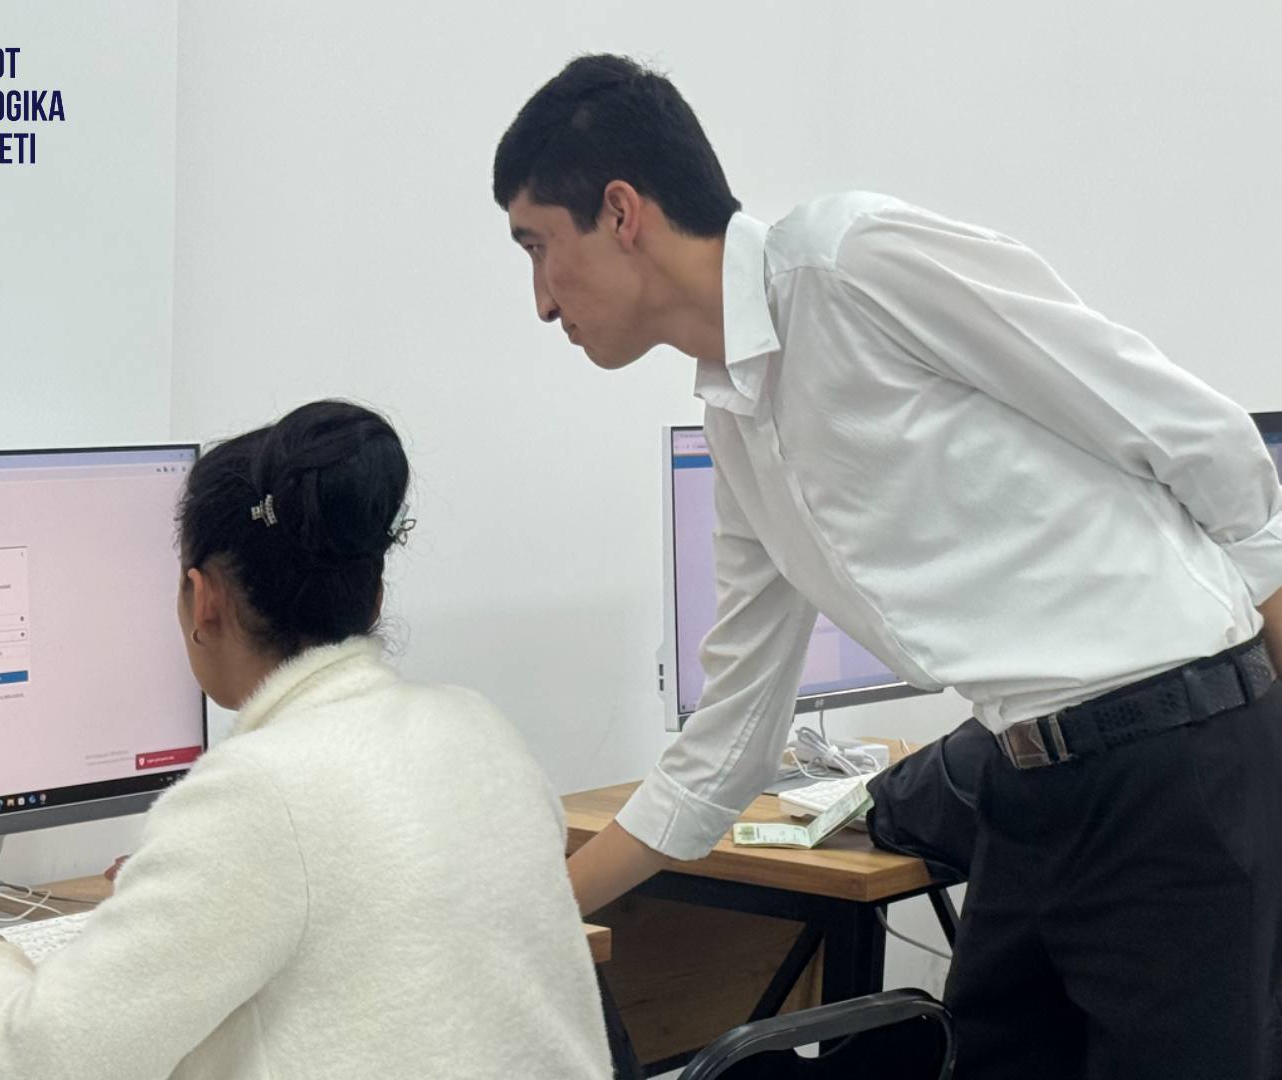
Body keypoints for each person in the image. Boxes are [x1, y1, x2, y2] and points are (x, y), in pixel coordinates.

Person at [492, 53, 1282, 1079]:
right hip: (1026, 781)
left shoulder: (850, 263)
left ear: (620, 211)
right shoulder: (738, 430)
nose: (540, 302)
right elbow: (724, 748)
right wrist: (525, 915)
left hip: (1174, 761)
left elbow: (1194, 434)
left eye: (538, 246)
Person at [0, 400, 613, 1080]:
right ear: (374, 596)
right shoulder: (481, 729)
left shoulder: (258, 794)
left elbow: (47, 1061)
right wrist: (189, 883)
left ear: (201, 598)